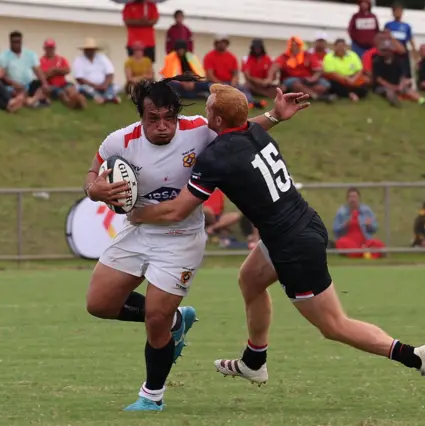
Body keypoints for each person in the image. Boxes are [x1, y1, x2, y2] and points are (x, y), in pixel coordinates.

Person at [128, 83, 425, 394]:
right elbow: (250, 127)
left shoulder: (217, 156)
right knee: (250, 280)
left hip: (292, 245)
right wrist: (275, 115)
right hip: (299, 224)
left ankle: (414, 356)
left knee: (333, 325)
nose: (203, 117)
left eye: (209, 111)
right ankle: (255, 361)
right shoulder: (253, 131)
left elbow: (176, 211)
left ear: (217, 120)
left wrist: (137, 213)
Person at [83, 76, 309, 411]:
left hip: (181, 237)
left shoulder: (199, 130)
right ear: (140, 117)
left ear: (177, 115)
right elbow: (92, 174)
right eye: (153, 119)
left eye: (169, 118)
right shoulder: (120, 141)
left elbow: (242, 132)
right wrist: (94, 189)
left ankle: (151, 396)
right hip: (138, 232)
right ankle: (178, 321)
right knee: (99, 304)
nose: (163, 126)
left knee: (156, 318)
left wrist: (275, 115)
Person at [0, 31, 49, 108]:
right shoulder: (4, 56)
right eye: (14, 42)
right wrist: (13, 83)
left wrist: (44, 83)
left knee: (42, 85)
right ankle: (34, 100)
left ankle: (31, 100)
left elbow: (37, 70)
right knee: (7, 90)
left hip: (29, 84)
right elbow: (2, 74)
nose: (16, 44)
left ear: (21, 42)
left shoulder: (30, 54)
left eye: (18, 42)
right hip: (13, 86)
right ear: (10, 42)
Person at [332, 187, 385, 258]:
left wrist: (369, 225)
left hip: (365, 241)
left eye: (354, 197)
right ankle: (365, 253)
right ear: (347, 199)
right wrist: (344, 225)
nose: (353, 199)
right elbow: (335, 230)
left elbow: (375, 228)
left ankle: (361, 252)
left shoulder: (366, 210)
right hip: (349, 241)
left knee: (378, 244)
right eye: (350, 197)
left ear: (359, 198)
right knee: (341, 242)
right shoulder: (342, 212)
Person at [39, 38, 86, 109]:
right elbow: (44, 75)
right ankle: (70, 104)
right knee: (61, 93)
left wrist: (55, 69)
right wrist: (58, 71)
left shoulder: (61, 59)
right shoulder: (41, 60)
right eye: (48, 48)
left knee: (71, 89)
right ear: (44, 48)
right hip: (51, 85)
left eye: (52, 48)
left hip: (63, 83)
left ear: (54, 48)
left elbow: (67, 70)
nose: (50, 50)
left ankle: (79, 102)